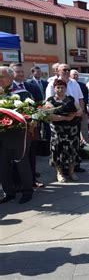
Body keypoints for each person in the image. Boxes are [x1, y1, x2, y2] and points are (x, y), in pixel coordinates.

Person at [0, 66, 34, 204]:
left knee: (22, 165)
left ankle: (27, 191)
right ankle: (9, 192)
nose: (0, 80)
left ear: (11, 77)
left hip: (19, 138)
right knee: (2, 166)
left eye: (1, 77)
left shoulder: (22, 94)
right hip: (2, 138)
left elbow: (31, 114)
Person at [45, 79, 83, 182]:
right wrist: (65, 118)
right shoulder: (50, 101)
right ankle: (60, 173)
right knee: (58, 151)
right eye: (58, 87)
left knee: (72, 151)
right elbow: (50, 116)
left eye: (62, 87)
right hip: (57, 131)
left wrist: (74, 114)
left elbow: (80, 110)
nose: (60, 89)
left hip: (72, 131)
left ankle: (71, 172)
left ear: (66, 88)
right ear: (54, 88)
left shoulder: (70, 99)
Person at [70, 69, 89, 143]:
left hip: (82, 111)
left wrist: (83, 110)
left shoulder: (82, 85)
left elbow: (85, 98)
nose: (75, 76)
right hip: (72, 112)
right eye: (74, 74)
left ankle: (87, 148)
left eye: (77, 74)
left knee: (84, 130)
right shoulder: (66, 85)